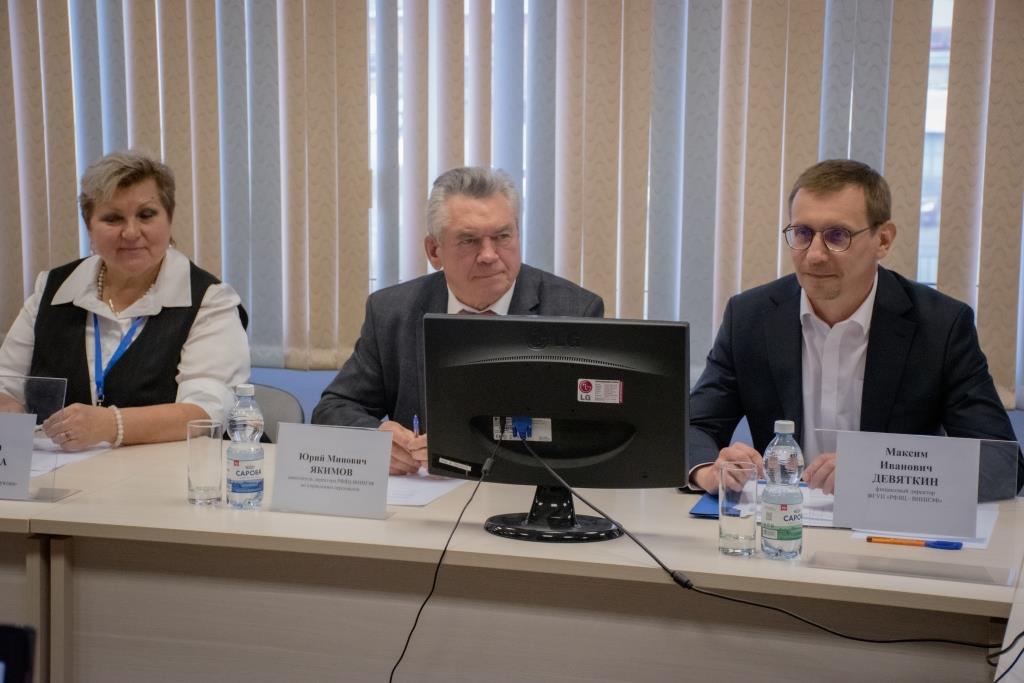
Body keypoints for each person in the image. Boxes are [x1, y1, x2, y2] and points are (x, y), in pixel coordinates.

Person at [688, 158, 1021, 494]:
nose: (815, 255)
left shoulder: (941, 326)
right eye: (802, 233)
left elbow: (1000, 462)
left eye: (837, 236)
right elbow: (694, 427)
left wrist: (876, 471)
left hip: (889, 517)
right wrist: (706, 470)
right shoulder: (749, 317)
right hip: (781, 516)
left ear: (883, 240)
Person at [312, 166, 604, 475]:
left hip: (526, 488)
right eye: (469, 240)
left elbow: (592, 431)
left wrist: (479, 450)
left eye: (502, 236)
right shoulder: (391, 312)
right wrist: (376, 439)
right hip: (426, 492)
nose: (489, 255)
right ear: (434, 251)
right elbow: (334, 408)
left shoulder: (573, 311)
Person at [0, 150, 250, 451]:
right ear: (89, 227)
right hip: (61, 472)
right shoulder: (52, 290)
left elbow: (205, 412)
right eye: (113, 218)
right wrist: (8, 408)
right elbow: (5, 383)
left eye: (146, 215)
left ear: (169, 219)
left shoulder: (210, 299)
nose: (131, 233)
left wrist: (111, 425)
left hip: (166, 472)